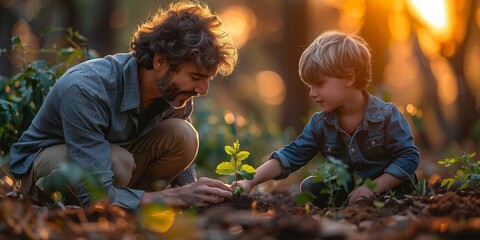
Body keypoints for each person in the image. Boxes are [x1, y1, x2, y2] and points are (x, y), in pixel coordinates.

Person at [8, 0, 238, 209]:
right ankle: (92, 214)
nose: (202, 90)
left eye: (207, 79)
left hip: (109, 167)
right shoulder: (87, 89)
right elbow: (95, 196)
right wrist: (178, 196)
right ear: (160, 61)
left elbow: (183, 171)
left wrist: (199, 198)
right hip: (42, 168)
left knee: (184, 136)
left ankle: (131, 211)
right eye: (196, 77)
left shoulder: (174, 95)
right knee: (118, 163)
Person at [234, 30, 420, 208]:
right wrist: (248, 181)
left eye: (319, 84)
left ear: (348, 78)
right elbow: (290, 156)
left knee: (403, 183)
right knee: (310, 187)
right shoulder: (320, 123)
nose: (312, 93)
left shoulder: (387, 115)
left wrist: (372, 188)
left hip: (388, 186)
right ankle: (350, 203)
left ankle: (377, 200)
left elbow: (409, 156)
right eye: (309, 86)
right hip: (349, 186)